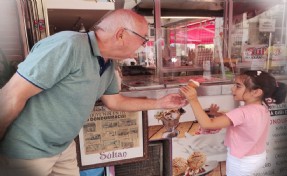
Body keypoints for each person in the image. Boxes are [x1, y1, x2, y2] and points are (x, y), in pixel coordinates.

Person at [0, 9, 187, 176]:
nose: (144, 45)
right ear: (121, 34)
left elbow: (115, 102)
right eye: (144, 38)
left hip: (63, 148)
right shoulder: (68, 45)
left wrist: (161, 103)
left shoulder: (107, 63)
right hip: (27, 152)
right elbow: (12, 95)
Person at [180, 70, 286, 176]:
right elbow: (238, 120)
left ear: (256, 92)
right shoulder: (262, 108)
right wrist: (216, 114)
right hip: (257, 157)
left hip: (242, 162)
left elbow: (207, 124)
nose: (232, 88)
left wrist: (193, 99)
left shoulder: (242, 112)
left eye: (238, 86)